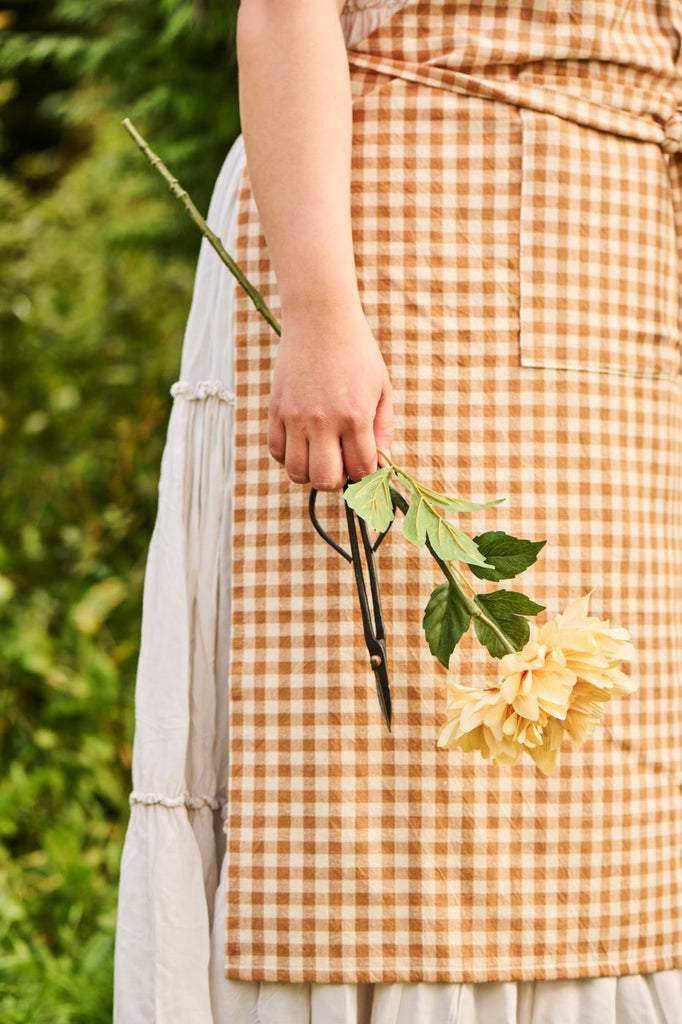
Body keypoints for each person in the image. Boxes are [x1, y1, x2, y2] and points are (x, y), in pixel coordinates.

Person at [114, 1, 682, 1021]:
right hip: (401, 257)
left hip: (621, 267)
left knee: (601, 795)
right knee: (393, 777)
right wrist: (322, 312)